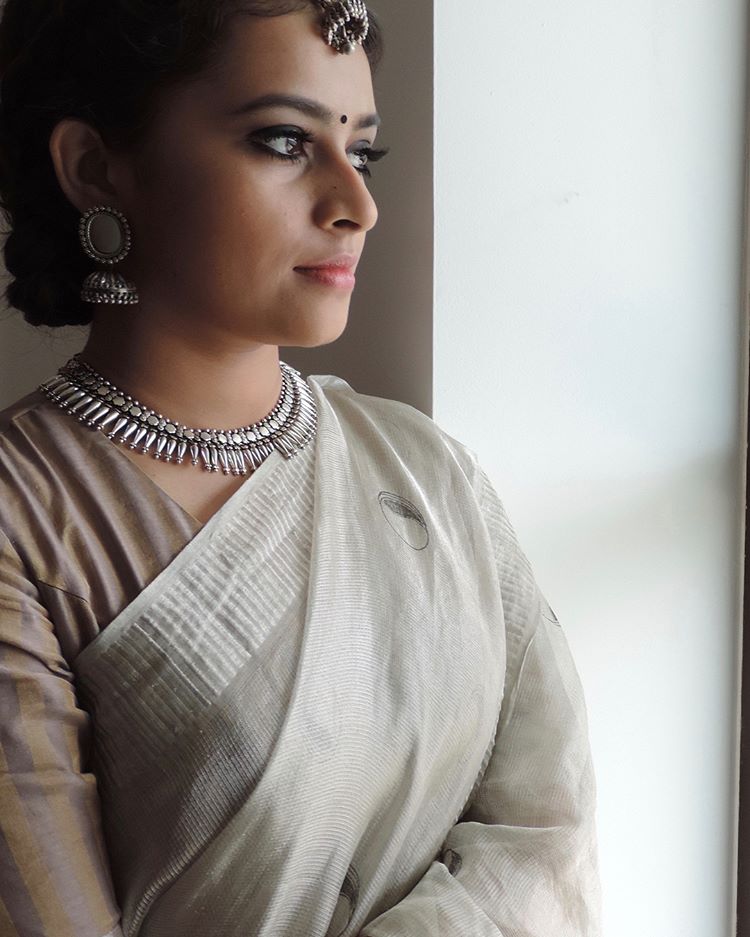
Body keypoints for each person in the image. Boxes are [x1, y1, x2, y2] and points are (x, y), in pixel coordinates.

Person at [0, 1, 602, 935]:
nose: (357, 204)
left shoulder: (428, 472)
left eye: (361, 151)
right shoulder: (26, 514)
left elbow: (546, 831)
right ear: (94, 166)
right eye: (284, 141)